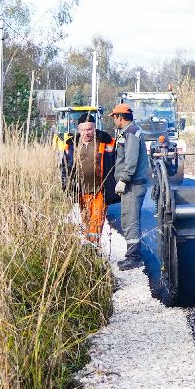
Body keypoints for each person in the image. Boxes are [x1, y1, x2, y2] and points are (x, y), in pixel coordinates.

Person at [62, 119, 116, 244]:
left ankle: (94, 246)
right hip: (81, 191)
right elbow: (65, 166)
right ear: (79, 130)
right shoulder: (71, 145)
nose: (86, 133)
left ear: (95, 129)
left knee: (96, 221)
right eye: (83, 130)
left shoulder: (104, 142)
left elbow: (117, 160)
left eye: (89, 129)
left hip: (99, 190)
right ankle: (88, 245)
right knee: (86, 220)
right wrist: (65, 183)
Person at [111, 104, 148, 270]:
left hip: (133, 185)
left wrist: (124, 179)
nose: (114, 120)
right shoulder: (128, 132)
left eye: (114, 117)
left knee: (130, 221)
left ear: (120, 117)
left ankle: (134, 258)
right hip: (131, 185)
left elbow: (131, 159)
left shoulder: (131, 132)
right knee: (128, 219)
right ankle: (132, 255)